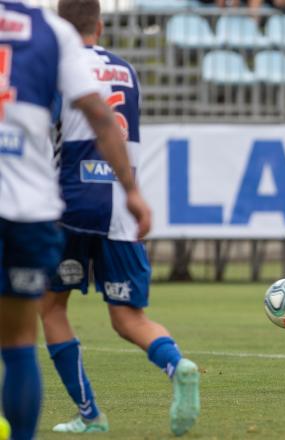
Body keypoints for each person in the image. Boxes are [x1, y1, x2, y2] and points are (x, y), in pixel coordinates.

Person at [38, 0, 200, 435]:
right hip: (123, 207)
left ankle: (91, 415)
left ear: (59, 26)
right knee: (129, 316)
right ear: (101, 25)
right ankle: (177, 364)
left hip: (69, 200)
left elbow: (44, 126)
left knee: (51, 305)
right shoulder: (127, 70)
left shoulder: (59, 66)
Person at [0, 1, 151, 439]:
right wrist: (133, 192)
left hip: (36, 204)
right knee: (18, 344)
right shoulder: (51, 32)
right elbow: (102, 116)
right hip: (29, 207)